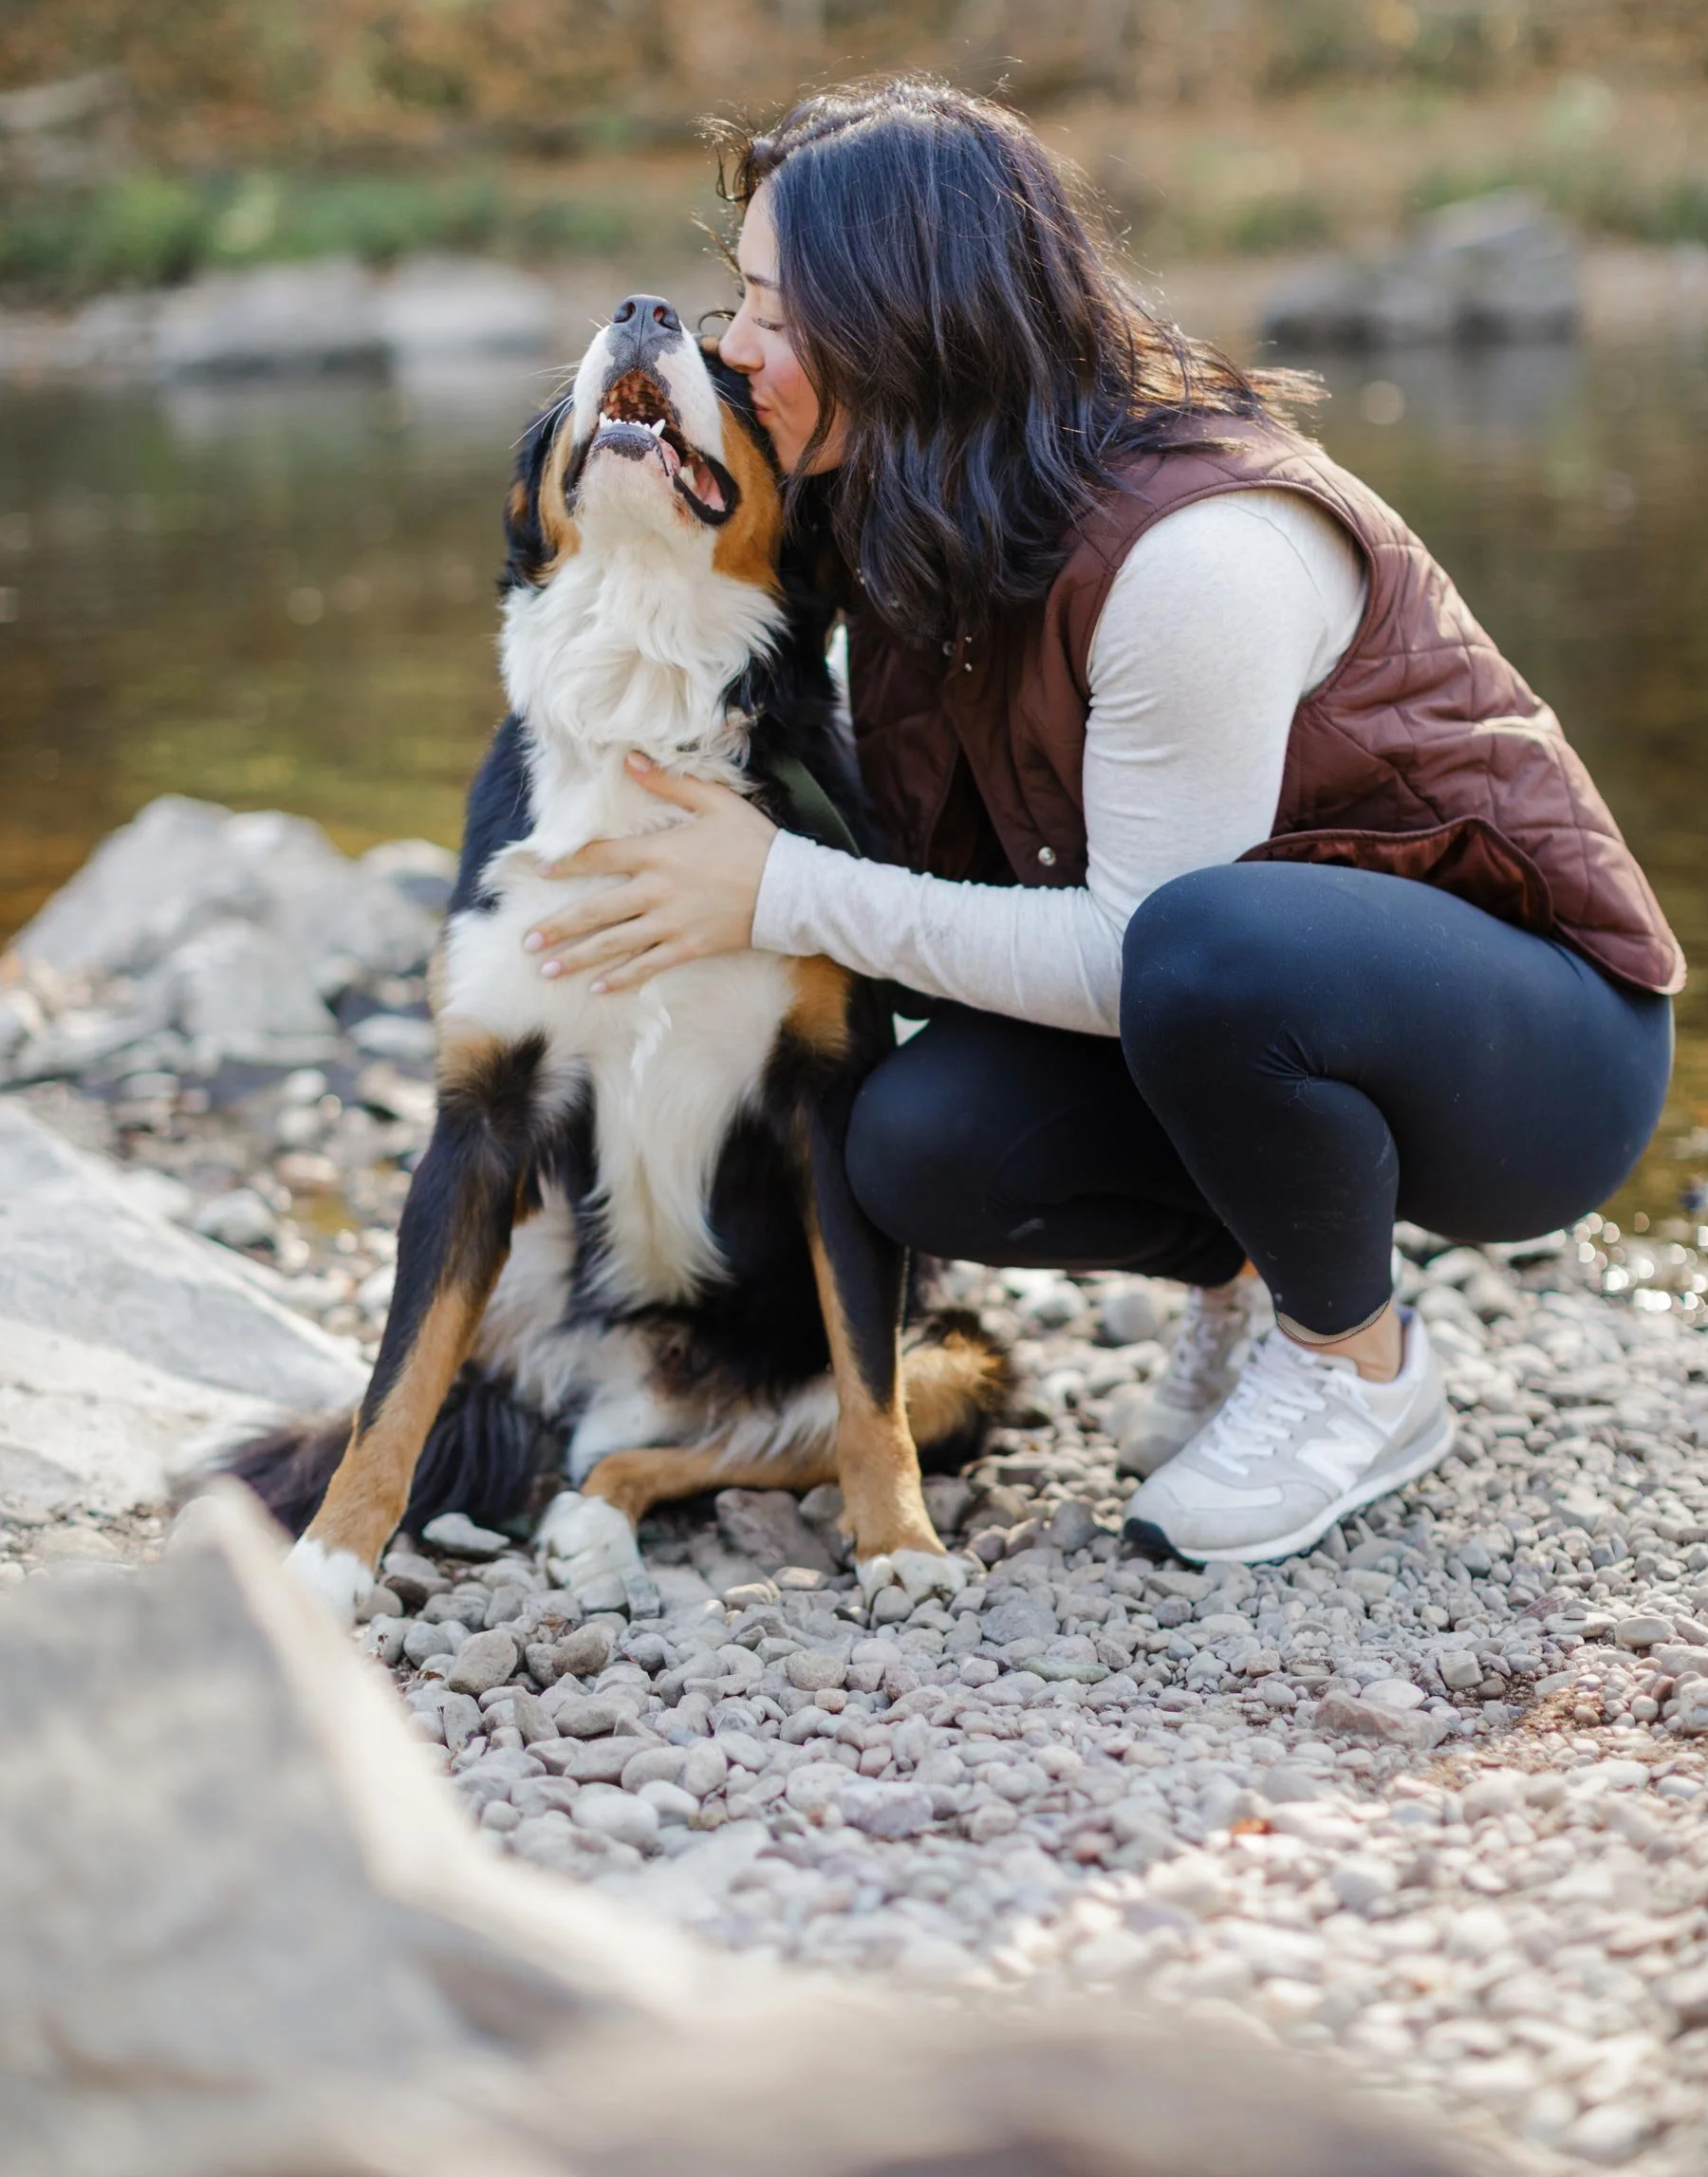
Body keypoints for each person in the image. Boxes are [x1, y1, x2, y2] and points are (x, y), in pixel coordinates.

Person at [524, 78, 1681, 1567]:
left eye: (782, 317)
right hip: (1245, 1016)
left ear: (917, 329)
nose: (738, 352)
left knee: (1203, 942)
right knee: (915, 1143)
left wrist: (775, 891)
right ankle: (1261, 1277)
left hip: (1534, 1057)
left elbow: (1142, 950)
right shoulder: (900, 497)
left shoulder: (1201, 550)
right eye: (737, 299)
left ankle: (1359, 1370)